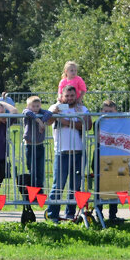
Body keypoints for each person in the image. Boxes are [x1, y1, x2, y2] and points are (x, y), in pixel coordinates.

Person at [45, 85, 91, 224]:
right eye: (67, 96)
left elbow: (87, 125)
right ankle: (53, 214)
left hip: (78, 152)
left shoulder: (82, 108)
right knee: (58, 184)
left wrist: (66, 121)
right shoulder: (56, 107)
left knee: (75, 185)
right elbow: (47, 121)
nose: (70, 98)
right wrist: (55, 112)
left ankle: (70, 214)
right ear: (62, 96)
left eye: (72, 96)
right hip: (62, 152)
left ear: (76, 95)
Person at [20, 95, 51, 221]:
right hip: (30, 146)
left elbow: (49, 113)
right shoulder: (28, 113)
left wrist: (42, 119)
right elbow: (26, 112)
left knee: (40, 170)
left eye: (38, 106)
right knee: (32, 170)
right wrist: (38, 121)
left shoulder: (42, 113)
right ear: (29, 106)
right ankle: (32, 192)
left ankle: (39, 191)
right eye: (33, 106)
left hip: (40, 146)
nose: (36, 108)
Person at [93, 99, 124, 224]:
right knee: (99, 186)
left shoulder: (121, 124)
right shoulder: (98, 123)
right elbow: (100, 138)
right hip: (101, 157)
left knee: (114, 186)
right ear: (101, 112)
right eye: (105, 111)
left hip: (115, 157)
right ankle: (98, 214)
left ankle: (113, 215)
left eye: (110, 111)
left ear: (115, 112)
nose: (107, 114)